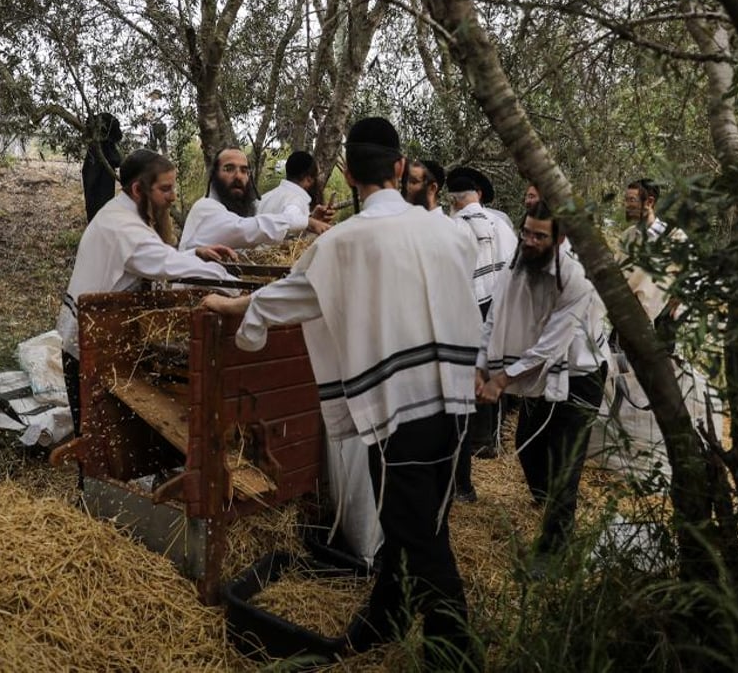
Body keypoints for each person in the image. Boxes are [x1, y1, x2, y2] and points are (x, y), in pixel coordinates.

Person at [202, 117, 482, 671]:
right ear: (401, 168)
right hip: (454, 402)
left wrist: (232, 308)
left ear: (349, 174)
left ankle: (456, 656)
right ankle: (381, 622)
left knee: (418, 535)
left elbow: (291, 296)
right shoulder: (451, 231)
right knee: (422, 520)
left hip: (398, 408)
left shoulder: (343, 243)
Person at [57, 149, 238, 474]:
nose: (172, 197)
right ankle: (91, 506)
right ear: (139, 190)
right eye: (165, 189)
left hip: (93, 342)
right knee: (99, 446)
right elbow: (166, 263)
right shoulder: (124, 228)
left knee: (108, 442)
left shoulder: (122, 214)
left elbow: (158, 255)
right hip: (88, 347)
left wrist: (194, 251)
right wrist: (237, 288)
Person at [476, 201, 608, 563]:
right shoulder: (519, 260)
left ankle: (554, 550)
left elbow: (550, 345)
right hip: (537, 374)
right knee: (527, 447)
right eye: (526, 232)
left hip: (579, 377)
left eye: (539, 236)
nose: (530, 241)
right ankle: (550, 503)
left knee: (566, 464)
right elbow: (495, 318)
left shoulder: (576, 275)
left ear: (560, 238)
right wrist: (480, 365)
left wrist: (501, 380)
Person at [446, 165, 518, 495]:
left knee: (469, 372)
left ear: (455, 200)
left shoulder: (453, 226)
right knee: (492, 367)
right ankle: (490, 439)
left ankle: (476, 441)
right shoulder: (501, 224)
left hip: (471, 305)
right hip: (502, 304)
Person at [178, 147, 331, 250]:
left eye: (244, 170)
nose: (238, 176)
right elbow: (246, 229)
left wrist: (307, 223)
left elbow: (261, 243)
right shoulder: (205, 208)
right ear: (214, 175)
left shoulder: (249, 208)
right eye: (229, 168)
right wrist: (307, 222)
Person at [620, 178, 687, 351]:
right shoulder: (627, 237)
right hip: (627, 319)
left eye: (632, 200)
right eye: (626, 200)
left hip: (660, 321)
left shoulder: (674, 237)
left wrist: (679, 298)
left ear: (649, 202)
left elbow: (689, 274)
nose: (627, 205)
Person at [81, 113, 123, 223]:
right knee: (101, 204)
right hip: (100, 171)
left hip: (95, 169)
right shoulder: (105, 148)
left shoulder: (96, 148)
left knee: (95, 204)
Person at [257, 150, 321, 217]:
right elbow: (291, 222)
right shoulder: (297, 202)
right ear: (309, 178)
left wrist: (312, 219)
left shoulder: (263, 199)